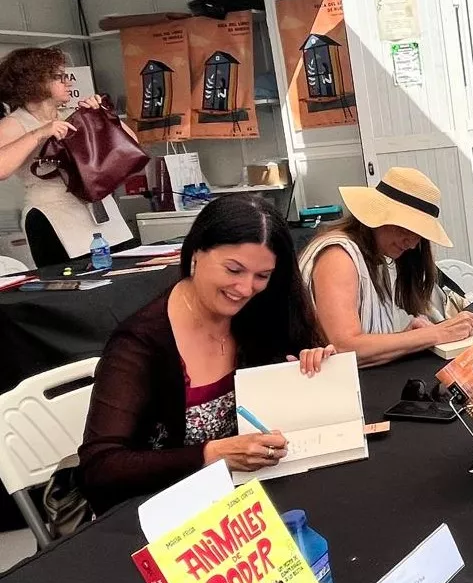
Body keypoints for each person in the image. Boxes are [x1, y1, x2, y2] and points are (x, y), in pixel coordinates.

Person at [78, 195, 333, 513]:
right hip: (162, 513)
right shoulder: (140, 344)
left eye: (261, 276)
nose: (244, 288)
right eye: (233, 270)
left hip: (243, 498)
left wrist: (309, 371)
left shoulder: (262, 313)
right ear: (196, 253)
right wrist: (213, 455)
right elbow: (100, 469)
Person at [299, 166, 473, 367]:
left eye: (418, 234)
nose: (411, 243)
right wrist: (436, 333)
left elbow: (363, 343)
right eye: (404, 228)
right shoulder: (339, 256)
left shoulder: (376, 257)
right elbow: (345, 346)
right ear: (376, 216)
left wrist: (405, 339)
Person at [0, 47, 134, 266]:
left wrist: (105, 117)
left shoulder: (71, 114)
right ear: (33, 81)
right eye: (59, 77)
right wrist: (40, 133)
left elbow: (132, 144)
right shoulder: (14, 124)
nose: (68, 82)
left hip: (101, 214)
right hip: (54, 215)